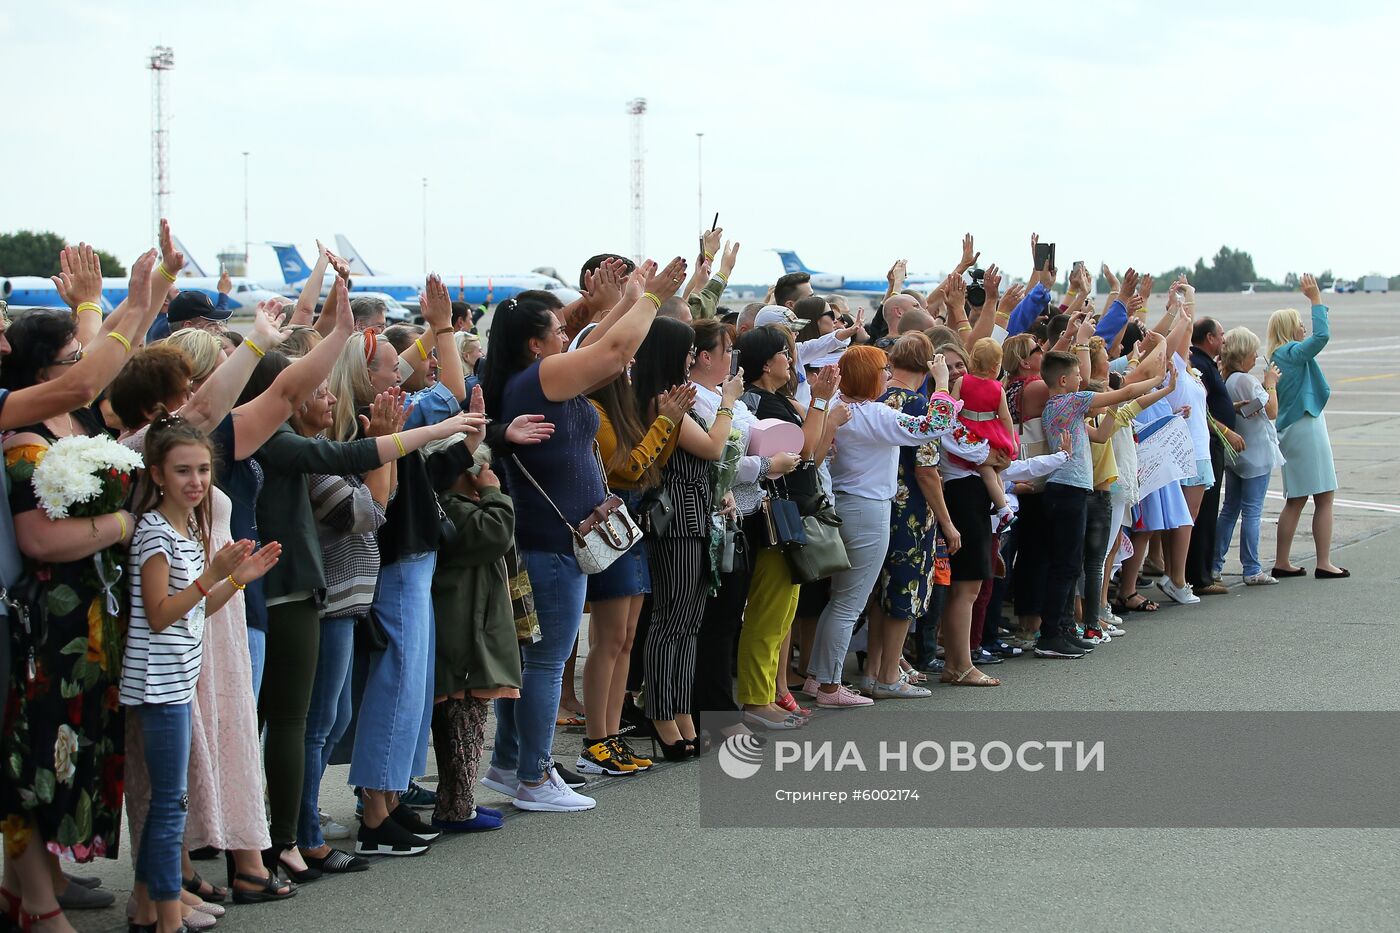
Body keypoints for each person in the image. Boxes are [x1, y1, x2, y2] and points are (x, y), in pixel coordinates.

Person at [480, 257, 686, 812]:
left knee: (532, 660)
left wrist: (630, 299)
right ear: (534, 344)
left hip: (557, 535)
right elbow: (615, 352)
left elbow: (604, 342)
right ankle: (534, 775)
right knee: (546, 662)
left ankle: (509, 763)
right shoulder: (542, 378)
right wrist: (649, 297)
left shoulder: (544, 372)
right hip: (552, 541)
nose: (568, 335)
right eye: (558, 331)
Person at [124, 415, 280, 933]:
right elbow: (161, 612)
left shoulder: (185, 531)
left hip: (175, 681)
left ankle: (150, 911)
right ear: (157, 474)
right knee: (169, 805)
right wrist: (215, 575)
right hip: (158, 685)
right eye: (183, 471)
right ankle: (167, 918)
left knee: (169, 802)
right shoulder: (154, 533)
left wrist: (234, 580)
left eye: (203, 471)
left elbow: (193, 612)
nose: (195, 481)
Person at [802, 345, 964, 703]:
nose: (887, 376)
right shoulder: (875, 414)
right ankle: (829, 685)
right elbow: (933, 426)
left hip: (843, 503)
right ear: (870, 377)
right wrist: (941, 384)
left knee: (840, 600)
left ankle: (817, 676)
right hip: (870, 509)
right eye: (882, 371)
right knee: (849, 602)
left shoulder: (837, 409)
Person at [631, 317, 737, 756]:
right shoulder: (661, 399)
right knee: (671, 622)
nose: (693, 356)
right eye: (687, 349)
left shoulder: (673, 396)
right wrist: (728, 403)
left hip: (694, 515)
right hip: (674, 519)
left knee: (688, 623)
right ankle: (660, 712)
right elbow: (713, 446)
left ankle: (680, 711)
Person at [732, 326, 844, 726]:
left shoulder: (774, 399)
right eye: (784, 351)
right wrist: (820, 403)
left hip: (788, 514)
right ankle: (755, 698)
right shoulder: (760, 402)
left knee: (783, 611)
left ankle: (767, 695)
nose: (791, 358)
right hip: (775, 516)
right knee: (769, 611)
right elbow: (806, 450)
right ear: (765, 363)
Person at [576, 357, 683, 775]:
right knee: (610, 637)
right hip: (612, 522)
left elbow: (653, 466)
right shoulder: (596, 412)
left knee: (626, 637)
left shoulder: (620, 412)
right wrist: (665, 423)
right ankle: (595, 740)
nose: (631, 370)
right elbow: (627, 466)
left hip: (630, 521)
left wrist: (667, 422)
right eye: (623, 364)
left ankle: (611, 735)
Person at [1034, 347, 1158, 659]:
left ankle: (1062, 628)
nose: (1082, 380)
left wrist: (1118, 406)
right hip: (1068, 490)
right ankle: (1050, 634)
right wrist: (1157, 379)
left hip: (1067, 490)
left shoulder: (1056, 407)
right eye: (1077, 375)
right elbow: (1126, 391)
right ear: (1063, 380)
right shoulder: (1071, 401)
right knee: (1065, 566)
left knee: (1070, 564)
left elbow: (1101, 435)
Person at [428, 448, 518, 833]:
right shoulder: (456, 508)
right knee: (462, 724)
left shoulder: (457, 505)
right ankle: (456, 806)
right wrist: (495, 494)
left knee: (465, 722)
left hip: (469, 628)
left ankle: (458, 801)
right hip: (464, 636)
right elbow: (496, 533)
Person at [1268, 273, 1346, 579]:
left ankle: (1282, 561)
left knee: (1297, 498)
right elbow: (1322, 337)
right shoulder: (1291, 353)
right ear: (1289, 329)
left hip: (1293, 428)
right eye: (1299, 323)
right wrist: (1316, 299)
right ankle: (1324, 561)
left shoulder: (1278, 355)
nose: (1304, 327)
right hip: (1305, 426)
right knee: (1324, 495)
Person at [1213, 327, 1285, 585]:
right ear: (1243, 354)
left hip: (1237, 456)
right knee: (1252, 511)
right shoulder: (1246, 381)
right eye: (1253, 352)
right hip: (1255, 454)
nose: (1256, 356)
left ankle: (1215, 564)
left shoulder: (1228, 379)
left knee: (1230, 508)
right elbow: (1272, 410)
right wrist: (1271, 383)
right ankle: (1252, 567)